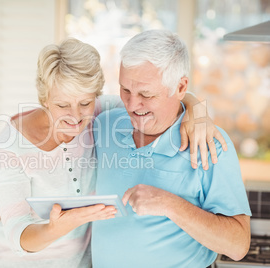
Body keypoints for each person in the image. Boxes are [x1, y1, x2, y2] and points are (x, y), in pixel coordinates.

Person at [0, 38, 225, 268]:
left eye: (85, 103)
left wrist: (196, 108)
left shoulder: (101, 112)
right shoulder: (10, 145)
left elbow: (160, 103)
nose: (75, 116)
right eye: (62, 105)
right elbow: (18, 233)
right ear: (44, 99)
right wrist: (55, 228)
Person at [91, 29, 251, 268]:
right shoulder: (103, 124)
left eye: (146, 94)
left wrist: (170, 204)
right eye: (125, 90)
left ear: (180, 87)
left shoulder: (209, 143)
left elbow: (238, 246)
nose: (133, 105)